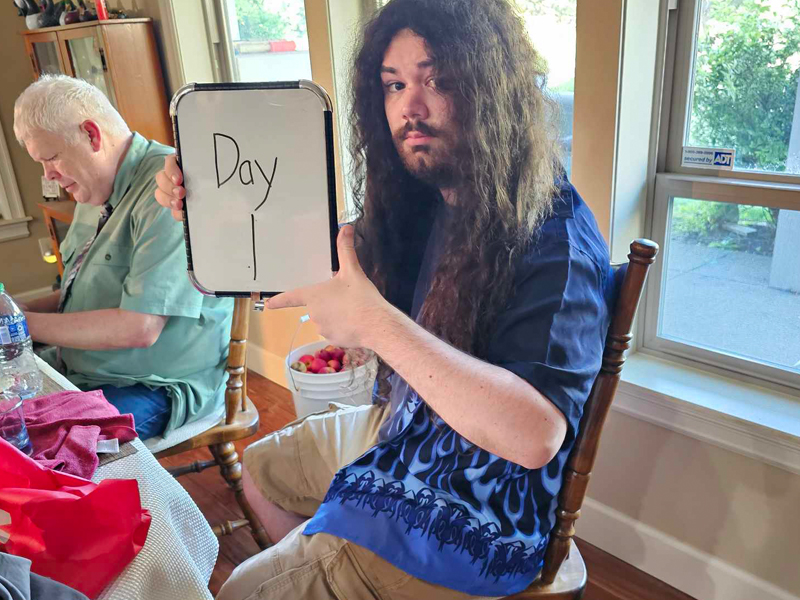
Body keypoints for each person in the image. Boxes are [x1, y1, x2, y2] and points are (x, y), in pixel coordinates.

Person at [157, 0, 613, 596]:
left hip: (482, 510)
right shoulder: (432, 195)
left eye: (437, 80)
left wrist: (374, 324)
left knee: (243, 588)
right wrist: (212, 210)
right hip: (411, 429)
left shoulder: (554, 239)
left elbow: (535, 436)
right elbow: (311, 262)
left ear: (494, 89)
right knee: (262, 470)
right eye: (394, 85)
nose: (409, 108)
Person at [13, 75, 233, 441]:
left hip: (153, 384)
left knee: (33, 445)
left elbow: (139, 327)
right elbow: (85, 290)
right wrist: (16, 308)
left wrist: (19, 324)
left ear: (91, 135)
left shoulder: (171, 191)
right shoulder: (94, 186)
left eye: (51, 158)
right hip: (85, 369)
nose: (48, 175)